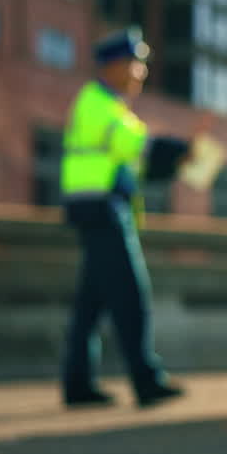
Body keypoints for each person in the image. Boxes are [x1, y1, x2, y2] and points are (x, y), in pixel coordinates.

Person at [59, 27, 195, 409]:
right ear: (115, 65)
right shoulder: (97, 103)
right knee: (130, 295)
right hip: (101, 210)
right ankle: (145, 378)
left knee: (91, 302)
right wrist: (179, 149)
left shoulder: (110, 106)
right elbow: (136, 144)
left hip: (98, 208)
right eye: (137, 64)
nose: (142, 73)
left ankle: (77, 383)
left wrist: (174, 161)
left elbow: (137, 163)